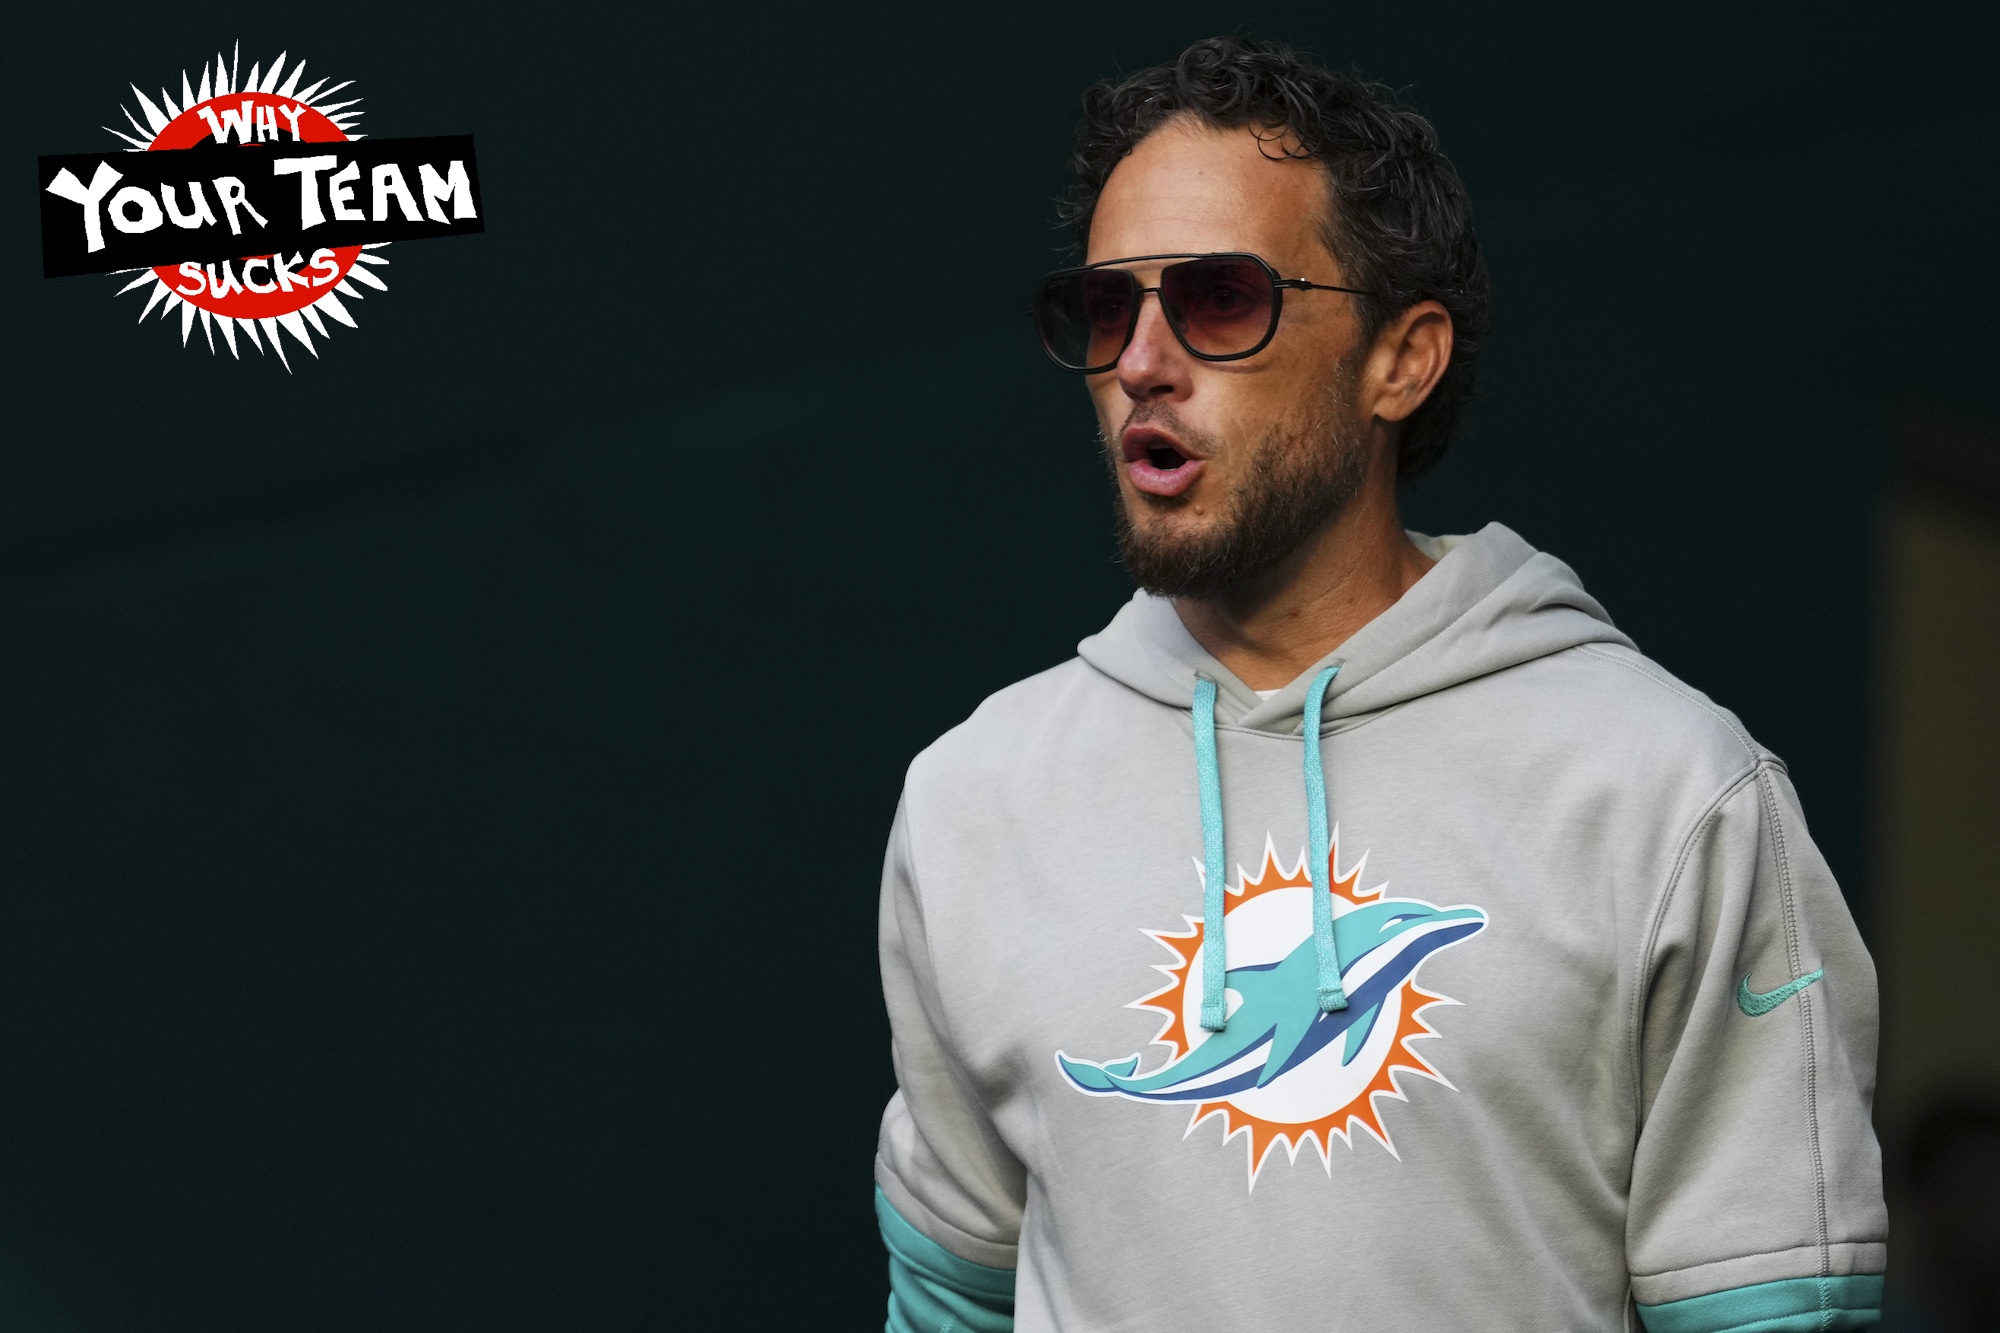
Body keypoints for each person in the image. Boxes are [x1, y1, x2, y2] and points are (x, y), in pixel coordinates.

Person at [872, 36, 1885, 1333]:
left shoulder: (1667, 791)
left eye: (1219, 299)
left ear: (1401, 359)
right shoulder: (975, 800)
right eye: (1106, 309)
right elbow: (948, 1305)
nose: (1141, 360)